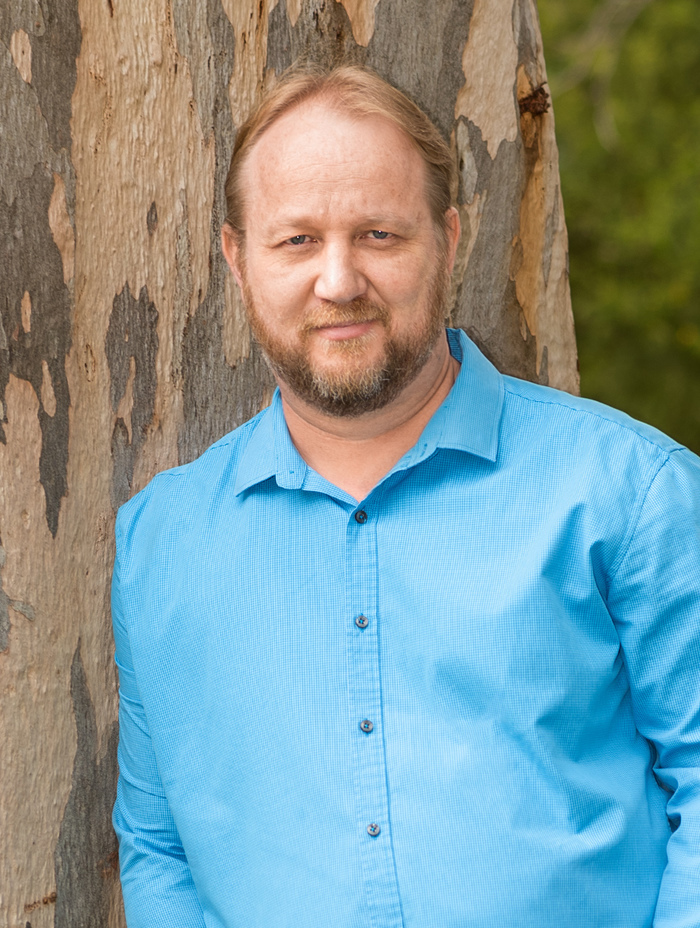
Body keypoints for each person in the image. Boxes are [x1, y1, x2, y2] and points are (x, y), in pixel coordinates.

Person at [111, 65, 700, 927]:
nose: (339, 280)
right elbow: (158, 842)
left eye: (379, 234)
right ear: (237, 259)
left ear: (448, 240)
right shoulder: (159, 541)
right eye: (297, 240)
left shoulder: (631, 494)